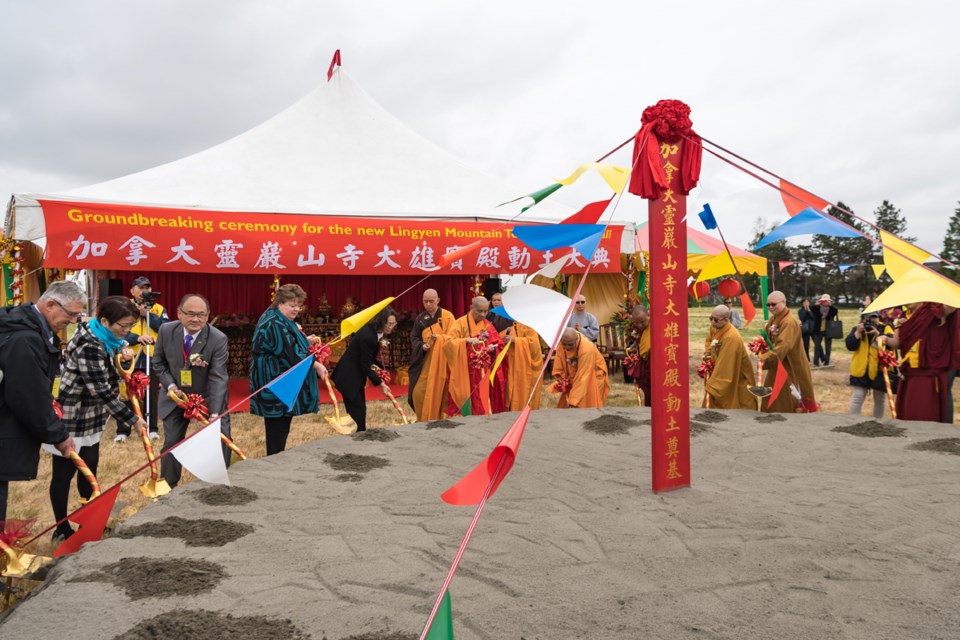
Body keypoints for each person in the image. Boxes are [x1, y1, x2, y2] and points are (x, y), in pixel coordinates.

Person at [47, 296, 145, 541]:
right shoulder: (90, 344)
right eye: (122, 325)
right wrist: (131, 419)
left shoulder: (106, 338)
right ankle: (61, 528)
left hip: (91, 414)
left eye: (130, 326)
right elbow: (99, 388)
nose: (126, 331)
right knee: (64, 472)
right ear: (104, 320)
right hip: (74, 415)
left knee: (89, 468)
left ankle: (88, 522)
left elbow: (106, 377)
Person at [0, 281, 79, 524]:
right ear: (51, 305)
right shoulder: (25, 339)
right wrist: (58, 435)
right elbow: (28, 396)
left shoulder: (22, 327)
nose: (74, 321)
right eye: (72, 313)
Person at [153, 294, 232, 487]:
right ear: (179, 313)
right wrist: (171, 386)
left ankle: (219, 485)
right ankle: (168, 487)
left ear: (207, 316)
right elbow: (158, 362)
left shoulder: (217, 338)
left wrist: (214, 413)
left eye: (201, 315)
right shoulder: (166, 330)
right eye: (190, 314)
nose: (195, 319)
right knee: (172, 441)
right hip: (175, 396)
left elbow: (218, 376)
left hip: (206, 396)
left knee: (222, 437)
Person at [250, 284, 326, 455]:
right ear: (280, 303)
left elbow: (288, 343)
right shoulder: (273, 323)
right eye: (292, 305)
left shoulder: (279, 319)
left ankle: (277, 456)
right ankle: (275, 459)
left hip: (281, 382)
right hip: (275, 382)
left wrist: (305, 341)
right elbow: (290, 354)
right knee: (277, 426)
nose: (296, 309)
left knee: (282, 424)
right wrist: (317, 365)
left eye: (298, 305)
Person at [880, 302, 960, 423]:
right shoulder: (904, 316)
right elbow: (898, 343)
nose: (906, 303)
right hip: (910, 370)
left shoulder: (934, 310)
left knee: (926, 410)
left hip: (929, 369)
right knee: (909, 409)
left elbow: (952, 305)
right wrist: (884, 339)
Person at [118, 276, 170, 442]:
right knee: (126, 392)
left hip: (150, 354)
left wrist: (146, 314)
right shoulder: (123, 306)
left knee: (151, 393)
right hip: (129, 355)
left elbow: (165, 328)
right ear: (132, 290)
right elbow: (118, 329)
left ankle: (152, 428)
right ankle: (123, 430)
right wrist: (137, 338)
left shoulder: (158, 308)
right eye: (140, 288)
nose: (144, 291)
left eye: (147, 288)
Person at [330, 307, 396, 432]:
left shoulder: (374, 332)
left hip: (355, 374)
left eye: (394, 323)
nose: (391, 327)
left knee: (359, 410)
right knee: (358, 411)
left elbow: (368, 359)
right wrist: (381, 383)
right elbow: (365, 364)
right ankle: (358, 438)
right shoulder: (368, 336)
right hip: (349, 375)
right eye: (389, 324)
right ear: (381, 321)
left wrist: (379, 370)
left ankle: (358, 434)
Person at [443, 296, 504, 416]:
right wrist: (466, 341)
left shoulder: (487, 325)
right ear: (471, 308)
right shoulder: (460, 323)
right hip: (464, 370)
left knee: (481, 398)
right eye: (479, 311)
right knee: (463, 397)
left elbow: (499, 344)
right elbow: (448, 343)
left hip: (481, 371)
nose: (482, 314)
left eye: (485, 311)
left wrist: (492, 349)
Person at [760, 291, 817, 413]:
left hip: (791, 367)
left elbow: (783, 346)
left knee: (788, 401)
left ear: (784, 302)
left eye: (774, 304)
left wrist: (764, 358)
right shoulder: (774, 319)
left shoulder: (789, 322)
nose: (770, 307)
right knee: (773, 398)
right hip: (778, 364)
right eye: (768, 305)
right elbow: (768, 339)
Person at [407, 289, 456, 421]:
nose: (428, 304)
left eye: (431, 301)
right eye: (425, 301)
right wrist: (422, 346)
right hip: (427, 361)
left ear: (438, 301)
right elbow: (414, 337)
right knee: (417, 393)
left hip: (444, 361)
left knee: (443, 392)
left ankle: (441, 418)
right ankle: (424, 418)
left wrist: (440, 338)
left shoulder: (447, 316)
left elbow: (454, 338)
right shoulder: (420, 319)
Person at [702, 305, 756, 410]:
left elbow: (725, 369)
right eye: (711, 318)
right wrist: (708, 355)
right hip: (720, 367)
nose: (712, 322)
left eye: (716, 320)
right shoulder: (716, 326)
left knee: (729, 399)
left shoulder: (731, 337)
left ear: (726, 320)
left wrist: (712, 385)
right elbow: (709, 342)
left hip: (734, 374)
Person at [846, 310, 894, 419]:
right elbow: (850, 346)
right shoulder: (857, 329)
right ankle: (854, 422)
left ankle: (877, 423)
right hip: (861, 370)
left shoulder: (886, 328)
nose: (872, 321)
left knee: (879, 399)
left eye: (874, 318)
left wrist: (879, 334)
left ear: (879, 318)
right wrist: (858, 332)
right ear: (863, 319)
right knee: (857, 397)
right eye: (868, 319)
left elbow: (892, 346)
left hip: (879, 370)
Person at [549, 328, 609, 408]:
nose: (567, 347)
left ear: (576, 339)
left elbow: (583, 376)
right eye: (564, 344)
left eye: (570, 344)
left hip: (592, 375)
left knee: (589, 405)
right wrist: (563, 381)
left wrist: (572, 402)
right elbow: (560, 364)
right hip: (576, 375)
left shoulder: (586, 348)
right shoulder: (562, 343)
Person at [500, 316, 545, 411]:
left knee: (526, 394)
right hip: (514, 365)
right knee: (513, 390)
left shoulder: (530, 327)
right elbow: (500, 339)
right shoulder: (513, 327)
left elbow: (534, 346)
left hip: (527, 368)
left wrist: (515, 340)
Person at [625, 305, 651, 406]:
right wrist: (636, 346)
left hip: (653, 362)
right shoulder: (640, 329)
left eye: (642, 322)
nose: (640, 325)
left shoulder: (656, 325)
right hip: (645, 361)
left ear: (648, 315)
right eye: (637, 323)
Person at [812, 293, 839, 367]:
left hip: (828, 330)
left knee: (828, 347)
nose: (825, 302)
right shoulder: (817, 308)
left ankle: (826, 362)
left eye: (826, 301)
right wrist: (816, 305)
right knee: (817, 346)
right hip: (818, 330)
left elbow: (836, 311)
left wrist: (830, 305)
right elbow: (812, 310)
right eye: (823, 301)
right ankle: (816, 362)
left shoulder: (831, 309)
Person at [797, 297, 815, 362]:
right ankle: (807, 358)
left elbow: (813, 317)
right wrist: (805, 310)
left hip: (813, 329)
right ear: (802, 303)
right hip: (805, 330)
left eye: (807, 302)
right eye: (804, 302)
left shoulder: (812, 310)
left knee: (817, 343)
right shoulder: (800, 311)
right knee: (806, 345)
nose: (806, 303)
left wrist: (809, 310)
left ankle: (821, 357)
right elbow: (802, 318)